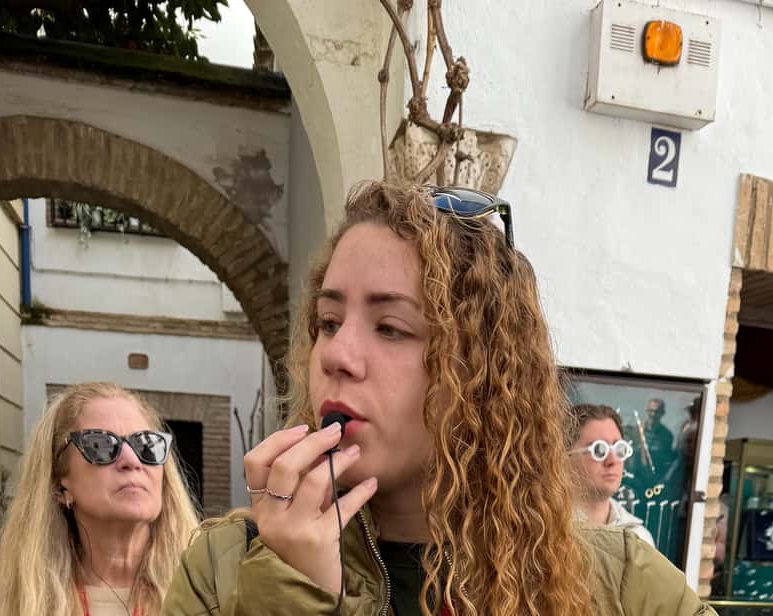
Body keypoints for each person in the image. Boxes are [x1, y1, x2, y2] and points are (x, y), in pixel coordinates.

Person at [162, 182, 714, 615]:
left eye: (391, 328)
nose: (336, 355)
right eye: (328, 322)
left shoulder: (618, 582)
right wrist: (289, 592)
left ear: (480, 372)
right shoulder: (223, 568)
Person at [0, 382, 199, 616]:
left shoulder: (210, 590)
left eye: (146, 445)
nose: (132, 460)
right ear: (59, 485)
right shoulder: (19, 605)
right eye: (101, 445)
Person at [567, 403, 655, 546]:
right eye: (599, 450)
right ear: (565, 458)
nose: (613, 461)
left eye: (619, 449)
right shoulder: (545, 531)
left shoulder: (638, 539)